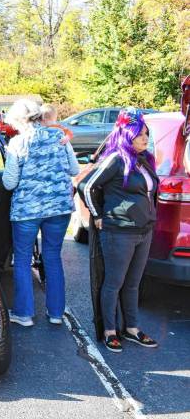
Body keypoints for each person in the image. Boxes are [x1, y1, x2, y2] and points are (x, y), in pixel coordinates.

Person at [78, 107, 159, 352]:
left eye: (146, 134)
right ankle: (110, 330)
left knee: (133, 283)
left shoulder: (145, 160)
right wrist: (97, 215)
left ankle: (131, 328)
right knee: (113, 283)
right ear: (126, 136)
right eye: (139, 135)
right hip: (118, 232)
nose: (145, 138)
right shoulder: (115, 159)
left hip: (144, 230)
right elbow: (86, 185)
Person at [2, 98, 79, 327]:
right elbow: (74, 169)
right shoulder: (60, 137)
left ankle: (24, 314)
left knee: (23, 259)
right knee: (53, 257)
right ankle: (56, 313)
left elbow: (9, 183)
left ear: (20, 120)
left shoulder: (17, 143)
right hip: (59, 208)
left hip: (27, 210)